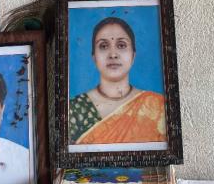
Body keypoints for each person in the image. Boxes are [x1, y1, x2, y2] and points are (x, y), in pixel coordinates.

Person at [68, 17, 167, 145]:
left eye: (121, 45)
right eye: (103, 46)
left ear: (133, 55)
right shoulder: (74, 109)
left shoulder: (157, 107)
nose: (113, 54)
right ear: (94, 57)